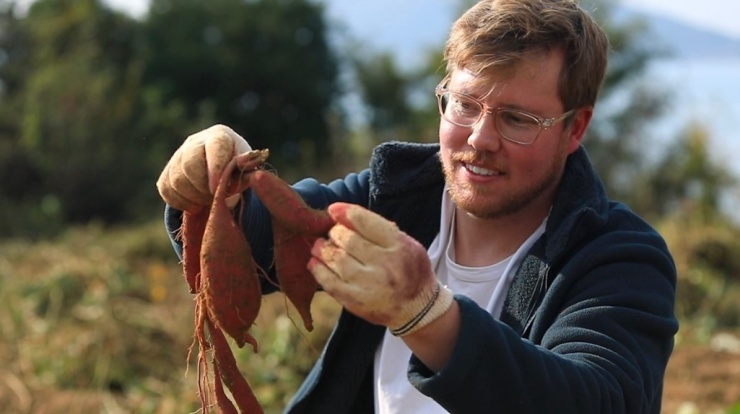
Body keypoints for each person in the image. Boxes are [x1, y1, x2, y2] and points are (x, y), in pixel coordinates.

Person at [157, 0, 678, 412]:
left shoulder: (621, 258)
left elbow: (600, 400)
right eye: (465, 105)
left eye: (518, 119)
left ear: (575, 129)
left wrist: (426, 313)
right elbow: (260, 242)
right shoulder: (394, 200)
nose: (480, 139)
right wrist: (213, 188)